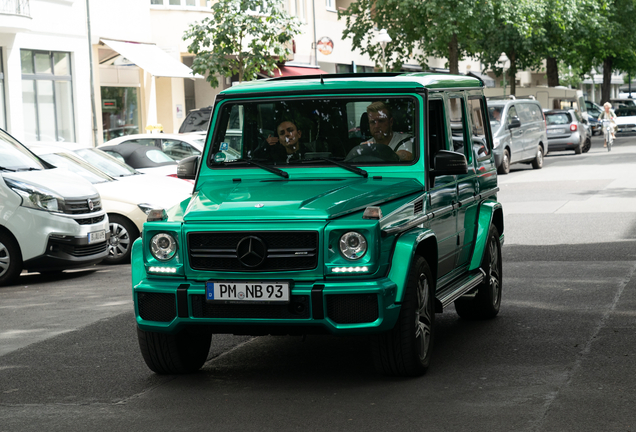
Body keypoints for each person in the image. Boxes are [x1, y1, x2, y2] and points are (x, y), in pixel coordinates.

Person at [345, 101, 414, 162]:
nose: (376, 126)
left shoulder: (405, 140)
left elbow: (407, 157)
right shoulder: (365, 145)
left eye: (381, 121)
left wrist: (372, 150)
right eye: (372, 122)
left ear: (391, 122)